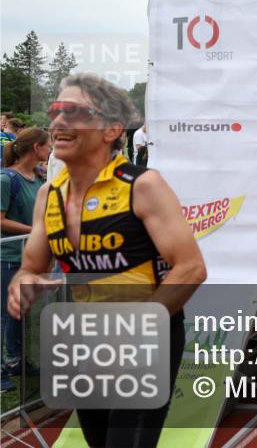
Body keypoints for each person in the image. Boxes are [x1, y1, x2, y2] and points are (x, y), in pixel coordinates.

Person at [6, 73, 207, 446]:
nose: (58, 123)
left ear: (112, 129)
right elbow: (32, 266)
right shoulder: (49, 195)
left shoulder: (143, 186)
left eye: (75, 112)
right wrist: (23, 283)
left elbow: (191, 267)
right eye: (56, 111)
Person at [0, 127, 50, 392]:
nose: (51, 150)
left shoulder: (38, 178)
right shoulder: (6, 180)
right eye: (48, 145)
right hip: (7, 257)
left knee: (21, 313)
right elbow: (1, 221)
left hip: (29, 257)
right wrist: (35, 231)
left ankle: (17, 361)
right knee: (5, 315)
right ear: (35, 148)